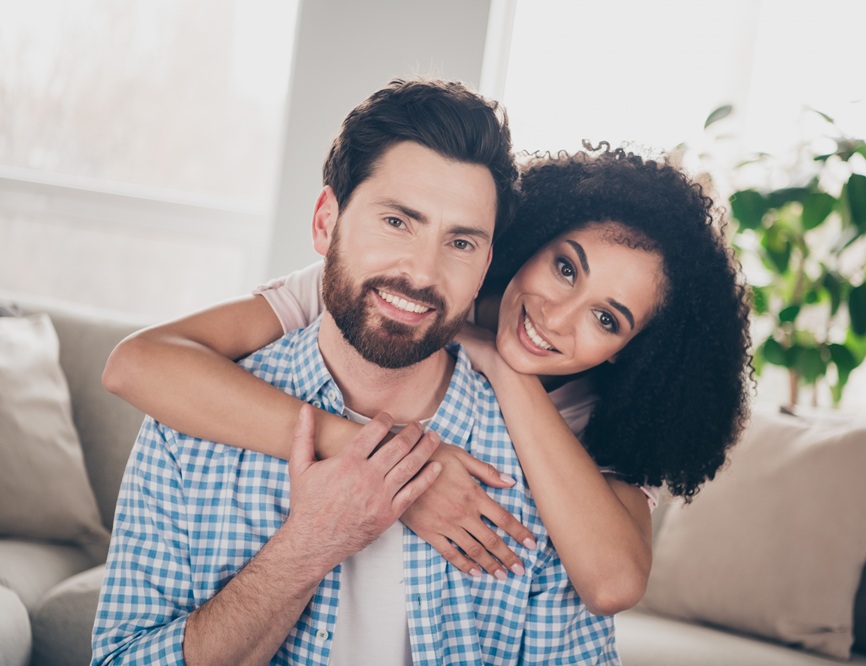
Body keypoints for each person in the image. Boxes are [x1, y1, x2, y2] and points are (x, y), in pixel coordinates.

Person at [102, 142, 754, 619]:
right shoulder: (400, 293)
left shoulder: (610, 418)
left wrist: (505, 369)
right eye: (565, 268)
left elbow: (613, 583)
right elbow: (136, 364)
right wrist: (387, 464)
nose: (556, 317)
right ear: (534, 239)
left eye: (607, 319)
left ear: (631, 353)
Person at [92, 79, 620, 666]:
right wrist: (310, 543)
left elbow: (612, 583)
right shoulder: (189, 424)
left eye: (460, 243)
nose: (421, 272)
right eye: (397, 222)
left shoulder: (533, 477)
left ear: (485, 268)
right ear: (326, 223)